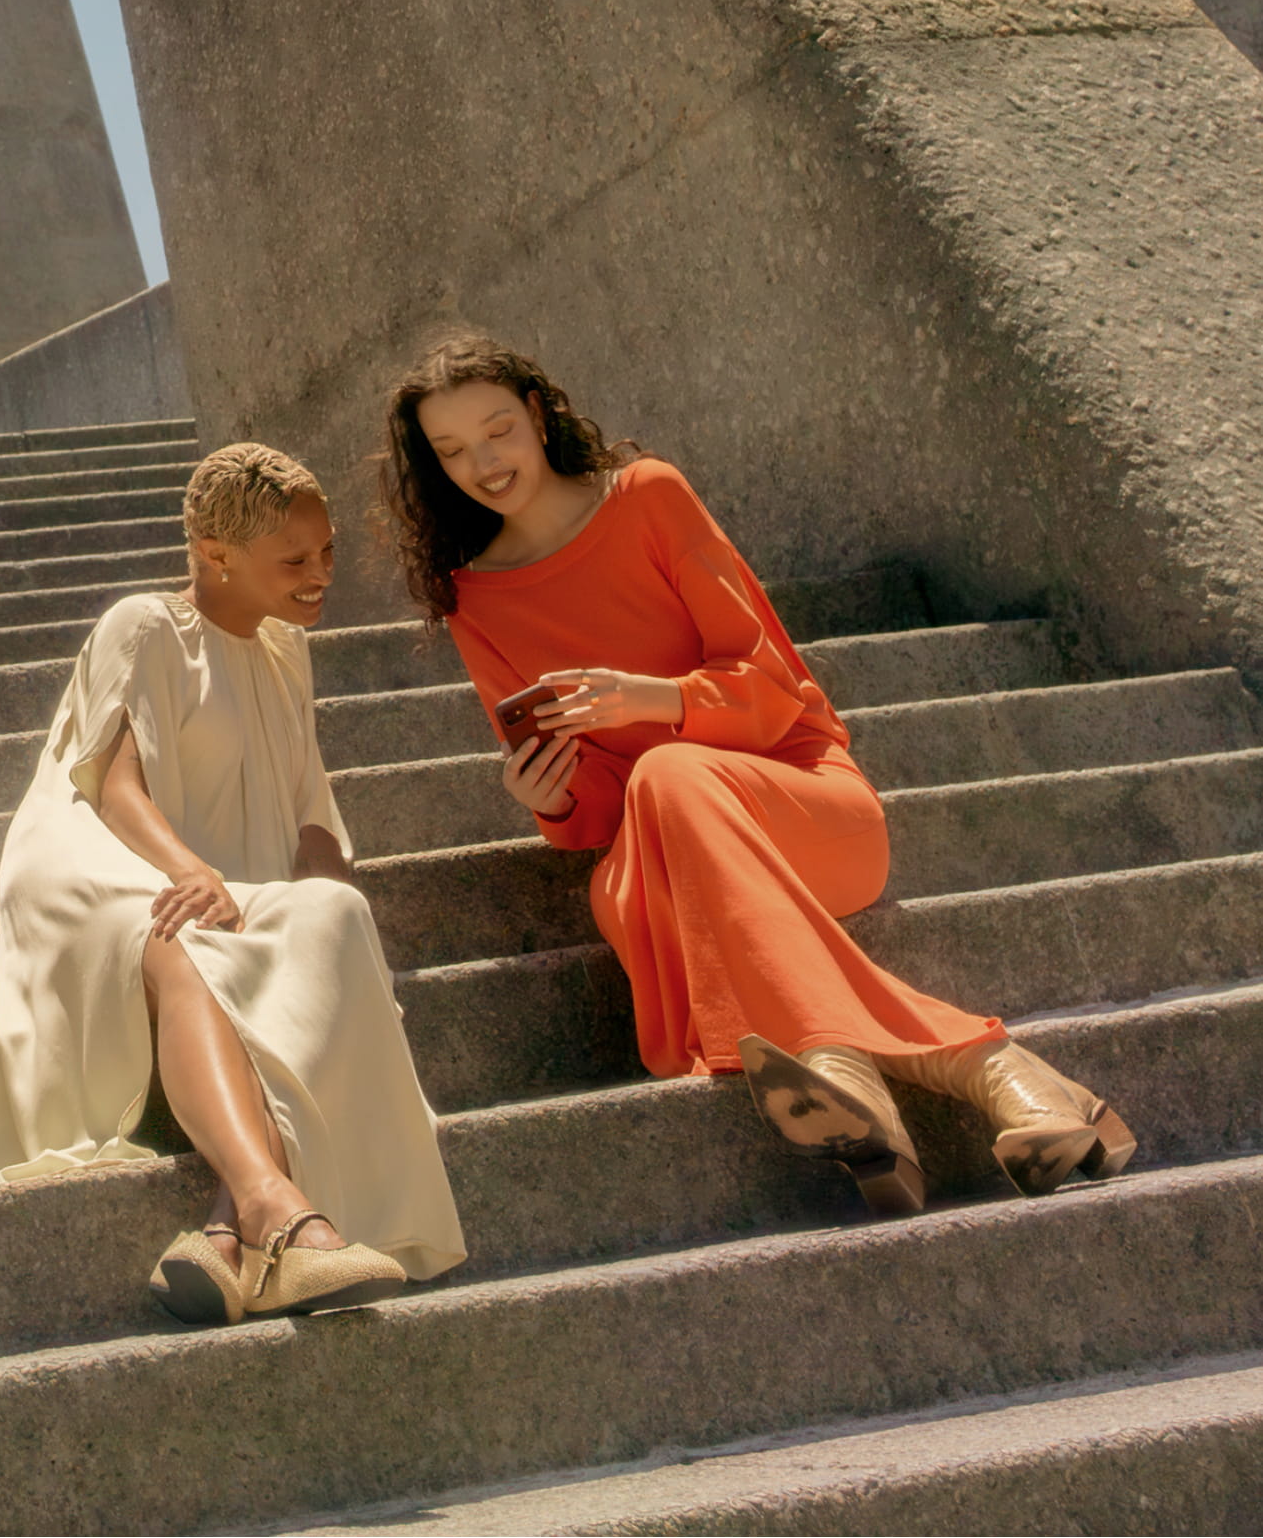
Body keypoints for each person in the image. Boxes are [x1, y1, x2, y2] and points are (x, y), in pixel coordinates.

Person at [388, 334, 1134, 1217]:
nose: (483, 464)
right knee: (656, 798)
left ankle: (852, 1060)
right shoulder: (473, 599)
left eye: (497, 431)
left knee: (669, 770)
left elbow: (774, 686)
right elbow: (598, 810)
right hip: (667, 865)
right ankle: (995, 1075)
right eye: (451, 450)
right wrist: (549, 800)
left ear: (539, 415)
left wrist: (657, 698)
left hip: (804, 802)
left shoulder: (648, 497)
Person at [0, 443, 465, 1324]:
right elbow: (114, 786)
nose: (320, 576)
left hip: (220, 886)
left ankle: (227, 1234)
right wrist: (189, 868)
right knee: (188, 936)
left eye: (327, 551)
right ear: (214, 552)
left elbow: (312, 818)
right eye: (294, 560)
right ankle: (275, 1206)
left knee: (333, 914)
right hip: (96, 867)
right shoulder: (145, 623)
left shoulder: (284, 651)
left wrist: (349, 952)